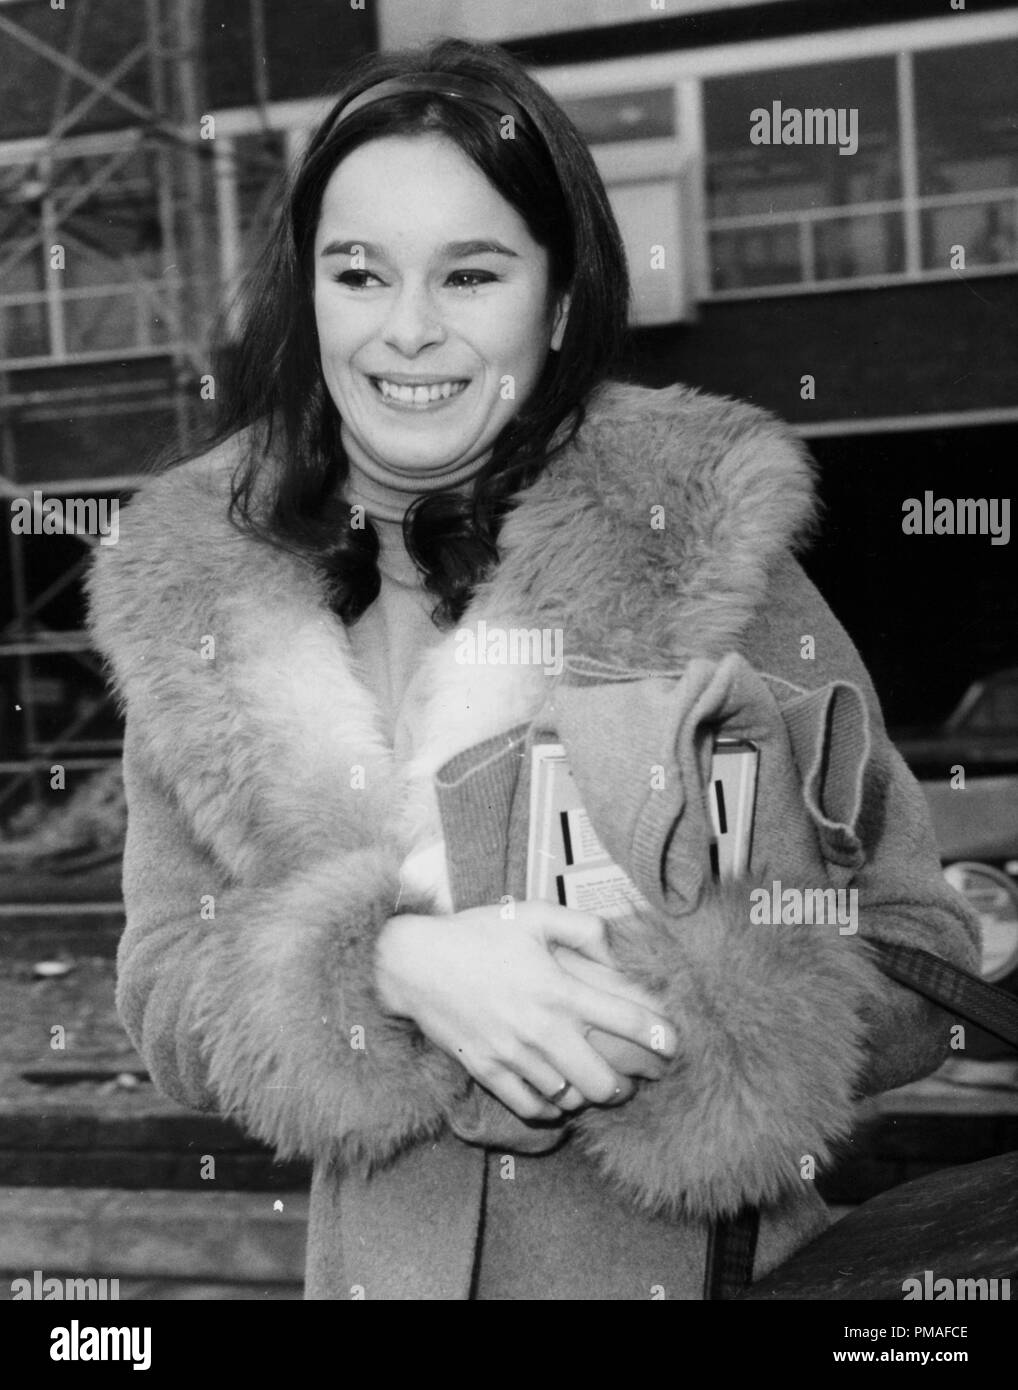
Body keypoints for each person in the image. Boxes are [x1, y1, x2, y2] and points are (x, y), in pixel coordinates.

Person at [87, 38, 979, 1301]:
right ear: (312, 293)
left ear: (555, 305)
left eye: (470, 272)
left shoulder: (701, 550)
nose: (407, 329)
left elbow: (916, 965)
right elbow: (165, 993)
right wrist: (388, 968)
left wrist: (624, 1011)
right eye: (359, 271)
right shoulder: (198, 592)